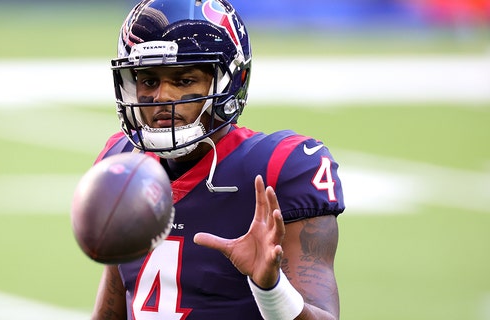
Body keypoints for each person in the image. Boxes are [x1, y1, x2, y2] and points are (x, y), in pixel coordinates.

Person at [91, 0, 345, 319]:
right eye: (149, 80)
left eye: (184, 80)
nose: (162, 97)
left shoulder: (281, 168)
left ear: (231, 81)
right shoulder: (122, 162)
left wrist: (271, 288)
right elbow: (115, 302)